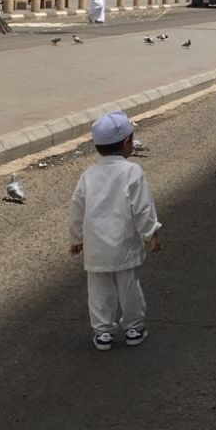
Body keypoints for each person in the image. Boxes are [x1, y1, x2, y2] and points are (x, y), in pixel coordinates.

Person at [68, 111, 161, 351]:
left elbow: (77, 207)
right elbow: (142, 207)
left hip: (96, 246)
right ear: (127, 143)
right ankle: (134, 328)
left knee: (99, 292)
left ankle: (103, 333)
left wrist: (77, 238)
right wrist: (151, 232)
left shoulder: (88, 175)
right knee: (129, 287)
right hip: (124, 245)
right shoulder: (132, 172)